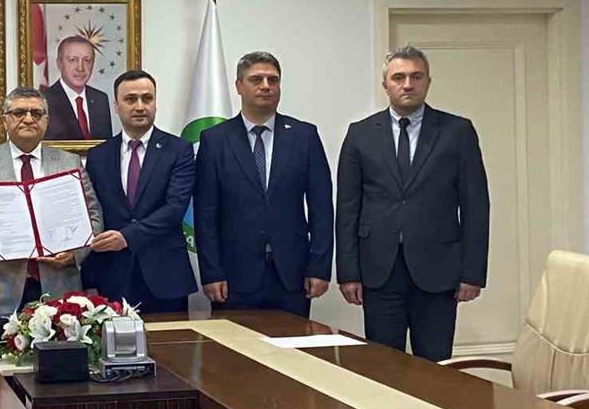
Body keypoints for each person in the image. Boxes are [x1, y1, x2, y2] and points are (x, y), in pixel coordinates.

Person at [336, 46, 490, 361]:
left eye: (416, 77)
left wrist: (472, 273)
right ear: (385, 85)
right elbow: (348, 208)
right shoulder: (360, 134)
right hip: (379, 270)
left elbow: (476, 206)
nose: (408, 84)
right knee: (383, 365)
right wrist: (348, 272)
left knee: (434, 366)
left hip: (439, 270)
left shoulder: (457, 132)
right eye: (399, 77)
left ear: (428, 82)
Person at [194, 52, 333, 318]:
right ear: (239, 86)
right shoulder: (215, 140)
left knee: (293, 345)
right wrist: (211, 272)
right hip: (233, 277)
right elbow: (205, 214)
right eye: (256, 79)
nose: (266, 86)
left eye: (273, 80)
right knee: (234, 345)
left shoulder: (304, 136)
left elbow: (322, 209)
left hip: (292, 276)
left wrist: (319, 267)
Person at [0, 86, 103, 318]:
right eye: (19, 113)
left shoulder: (69, 162)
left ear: (47, 121)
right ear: (5, 121)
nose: (29, 119)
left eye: (37, 113)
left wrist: (76, 254)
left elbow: (94, 217)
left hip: (59, 289)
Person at [82, 70, 197, 312]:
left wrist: (127, 236)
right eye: (130, 99)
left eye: (147, 98)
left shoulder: (179, 150)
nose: (140, 106)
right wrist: (89, 278)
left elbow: (175, 207)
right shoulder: (98, 156)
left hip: (165, 276)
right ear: (116, 106)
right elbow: (92, 214)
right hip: (111, 276)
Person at [45, 35, 113, 140]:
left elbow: (106, 143)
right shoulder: (45, 100)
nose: (80, 68)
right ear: (59, 64)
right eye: (73, 60)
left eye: (87, 60)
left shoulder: (100, 99)